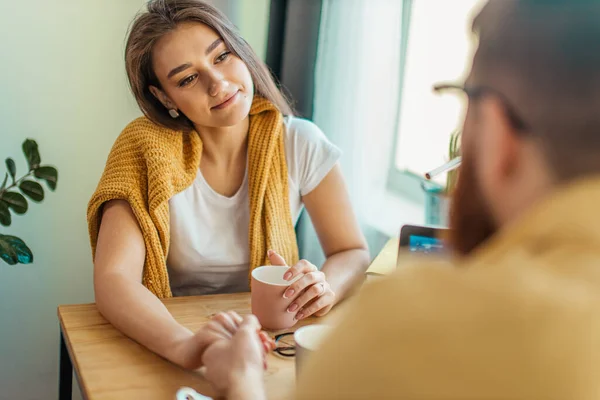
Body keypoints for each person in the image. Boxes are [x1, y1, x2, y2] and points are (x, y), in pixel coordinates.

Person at [200, 0, 600, 398]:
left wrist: (241, 380)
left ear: (497, 131)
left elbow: (350, 251)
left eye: (465, 98)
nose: (216, 84)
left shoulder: (408, 323)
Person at [86, 0, 369, 371]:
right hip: (171, 336)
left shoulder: (300, 142)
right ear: (164, 97)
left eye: (221, 57)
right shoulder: (142, 151)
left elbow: (351, 251)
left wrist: (322, 288)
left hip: (272, 340)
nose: (217, 83)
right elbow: (113, 280)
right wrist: (188, 348)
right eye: (187, 78)